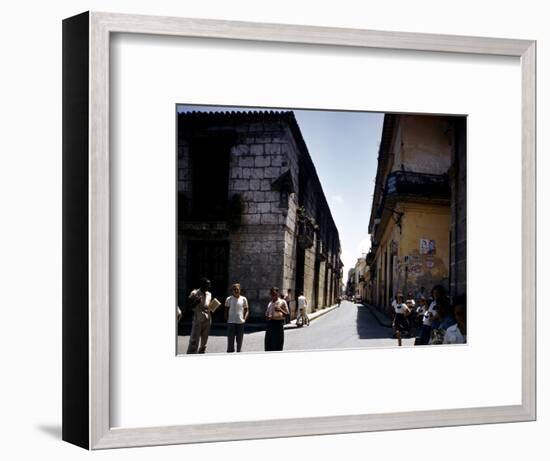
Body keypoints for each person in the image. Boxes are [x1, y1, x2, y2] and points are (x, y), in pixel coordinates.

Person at [186, 278, 213, 354]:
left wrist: (213, 307)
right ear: (202, 285)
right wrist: (196, 302)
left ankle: (201, 354)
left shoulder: (209, 294)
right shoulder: (194, 293)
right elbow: (188, 306)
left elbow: (208, 306)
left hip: (207, 319)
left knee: (204, 341)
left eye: (209, 284)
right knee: (194, 340)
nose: (209, 286)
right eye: (208, 285)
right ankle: (191, 355)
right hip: (198, 319)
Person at [224, 283, 249, 353]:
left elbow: (247, 310)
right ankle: (230, 352)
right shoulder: (229, 299)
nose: (236, 290)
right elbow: (226, 310)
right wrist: (227, 320)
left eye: (237, 289)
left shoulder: (243, 299)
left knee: (239, 341)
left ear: (240, 290)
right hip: (231, 322)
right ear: (232, 290)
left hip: (240, 322)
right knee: (230, 341)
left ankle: (239, 352)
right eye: (234, 289)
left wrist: (244, 319)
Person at [264, 287, 289, 351]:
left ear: (277, 293)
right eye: (271, 293)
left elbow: (287, 314)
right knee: (268, 345)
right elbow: (266, 314)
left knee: (277, 345)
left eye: (274, 293)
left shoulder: (282, 302)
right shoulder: (270, 303)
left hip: (278, 325)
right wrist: (267, 316)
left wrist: (280, 310)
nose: (272, 295)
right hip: (270, 325)